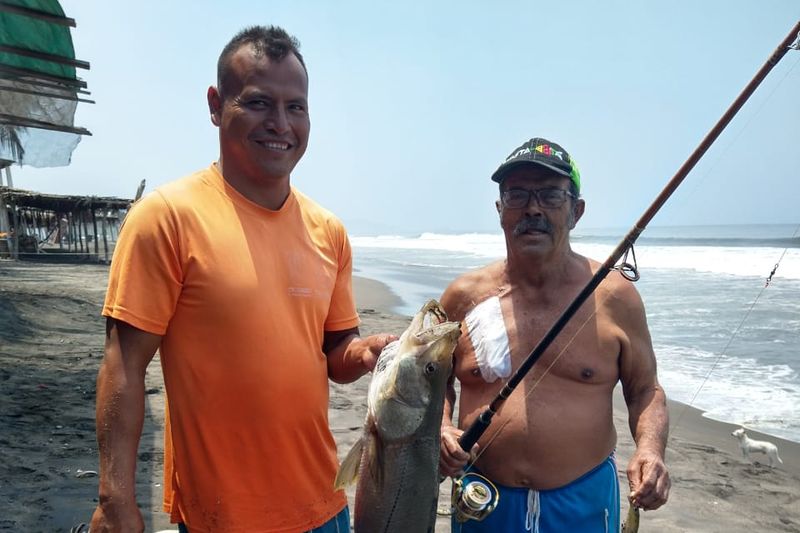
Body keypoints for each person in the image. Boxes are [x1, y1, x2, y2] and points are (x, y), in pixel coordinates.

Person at [90, 26, 394, 533]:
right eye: (258, 103)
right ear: (216, 105)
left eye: (296, 107)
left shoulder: (328, 231)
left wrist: (367, 353)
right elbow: (123, 365)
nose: (280, 123)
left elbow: (335, 353)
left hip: (324, 507)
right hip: (221, 516)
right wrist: (115, 498)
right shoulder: (167, 217)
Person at [439, 137, 670, 531]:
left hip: (583, 501)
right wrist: (441, 428)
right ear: (499, 211)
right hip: (484, 499)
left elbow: (645, 389)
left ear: (576, 211)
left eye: (550, 195)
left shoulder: (615, 297)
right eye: (517, 195)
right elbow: (432, 385)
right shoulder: (464, 297)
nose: (532, 208)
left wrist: (650, 449)